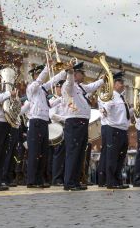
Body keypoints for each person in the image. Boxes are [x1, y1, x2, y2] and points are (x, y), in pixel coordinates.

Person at [58, 61, 104, 191]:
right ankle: (69, 182)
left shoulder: (81, 87)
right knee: (73, 153)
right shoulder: (69, 86)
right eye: (81, 73)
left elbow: (92, 86)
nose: (83, 76)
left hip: (83, 122)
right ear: (75, 74)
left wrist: (102, 80)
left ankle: (76, 181)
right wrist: (70, 73)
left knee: (80, 153)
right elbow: (69, 83)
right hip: (74, 122)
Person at [23, 64, 66, 188]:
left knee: (43, 152)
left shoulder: (42, 90)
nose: (41, 76)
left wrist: (64, 72)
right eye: (38, 74)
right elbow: (40, 80)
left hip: (43, 122)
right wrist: (48, 66)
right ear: (34, 76)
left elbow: (53, 81)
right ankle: (31, 180)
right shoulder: (31, 88)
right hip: (35, 121)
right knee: (34, 152)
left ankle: (39, 179)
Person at [101, 71, 131, 189]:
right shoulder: (111, 95)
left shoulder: (121, 97)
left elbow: (124, 114)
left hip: (123, 129)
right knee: (112, 157)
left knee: (120, 157)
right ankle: (111, 181)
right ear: (114, 84)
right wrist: (104, 111)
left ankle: (118, 180)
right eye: (120, 82)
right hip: (113, 129)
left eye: (123, 82)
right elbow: (106, 108)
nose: (122, 84)